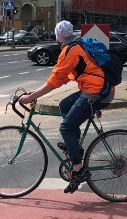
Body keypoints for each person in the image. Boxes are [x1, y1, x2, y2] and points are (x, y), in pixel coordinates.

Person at [18, 20, 114, 193]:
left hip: (95, 92)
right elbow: (60, 77)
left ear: (58, 36)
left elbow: (54, 81)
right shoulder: (76, 46)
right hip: (95, 88)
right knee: (65, 105)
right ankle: (74, 147)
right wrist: (36, 91)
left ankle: (78, 170)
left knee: (66, 127)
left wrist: (32, 97)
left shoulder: (71, 51)